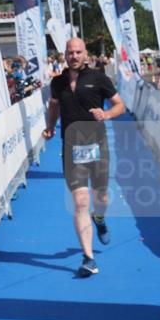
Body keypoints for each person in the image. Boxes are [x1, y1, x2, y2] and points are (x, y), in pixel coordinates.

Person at [43, 38, 125, 276]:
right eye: (70, 52)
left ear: (85, 54)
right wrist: (50, 127)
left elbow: (120, 105)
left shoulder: (99, 78)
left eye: (78, 52)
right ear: (65, 55)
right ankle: (88, 258)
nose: (74, 56)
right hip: (71, 147)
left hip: (97, 145)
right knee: (80, 201)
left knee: (101, 196)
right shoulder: (57, 82)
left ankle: (99, 218)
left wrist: (107, 114)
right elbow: (54, 106)